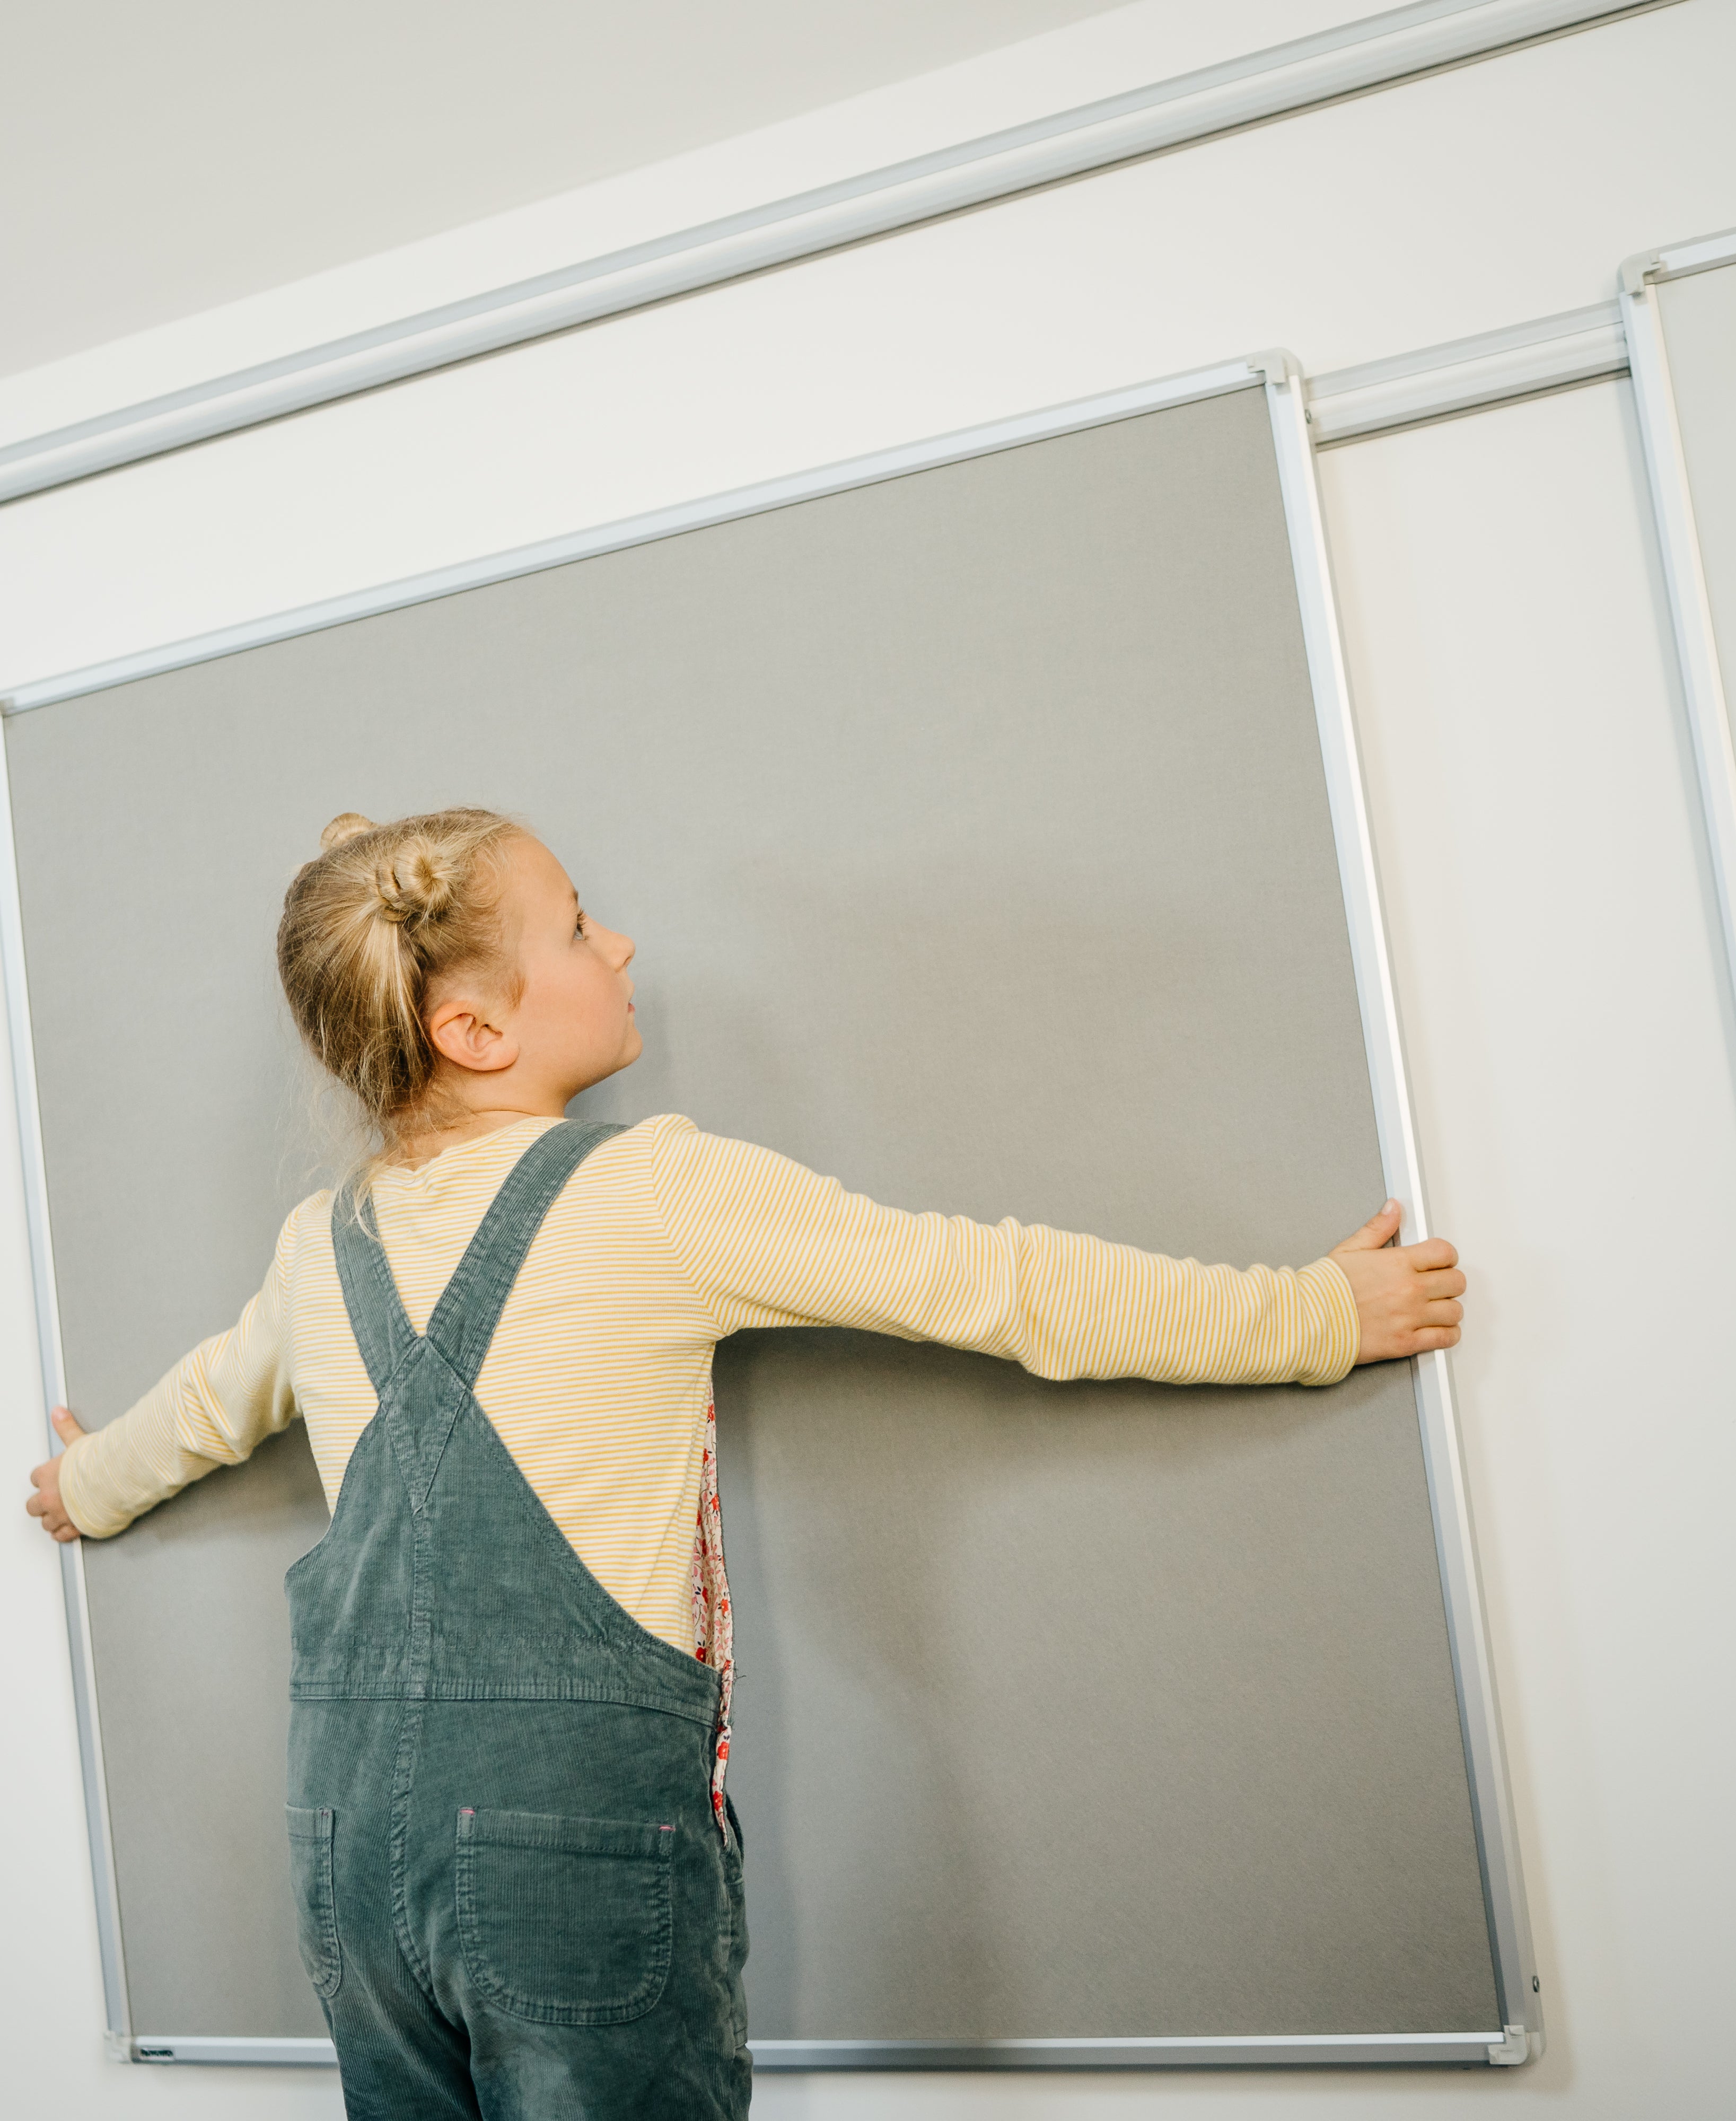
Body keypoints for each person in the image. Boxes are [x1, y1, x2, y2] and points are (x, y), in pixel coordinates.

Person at [24, 808, 1465, 2121]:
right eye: (582, 923)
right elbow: (1003, 1288)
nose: (625, 941)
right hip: (571, 1867)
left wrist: (83, 1488)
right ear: (470, 1028)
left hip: (347, 1865)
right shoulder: (654, 1192)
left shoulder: (317, 1246)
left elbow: (209, 1405)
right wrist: (1314, 1316)